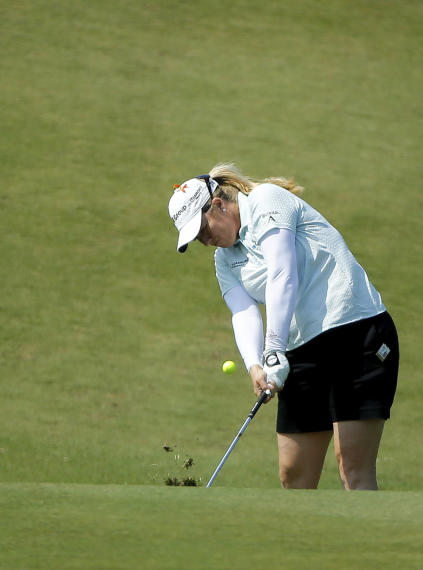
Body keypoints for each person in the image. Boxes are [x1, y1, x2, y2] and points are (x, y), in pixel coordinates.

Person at [167, 163, 399, 490]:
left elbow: (282, 273)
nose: (205, 241)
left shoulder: (266, 200)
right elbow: (243, 312)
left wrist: (273, 349)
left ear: (217, 205)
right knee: (293, 474)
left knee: (352, 466)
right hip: (302, 349)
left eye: (203, 230)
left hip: (357, 333)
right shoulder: (224, 261)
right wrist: (255, 364)